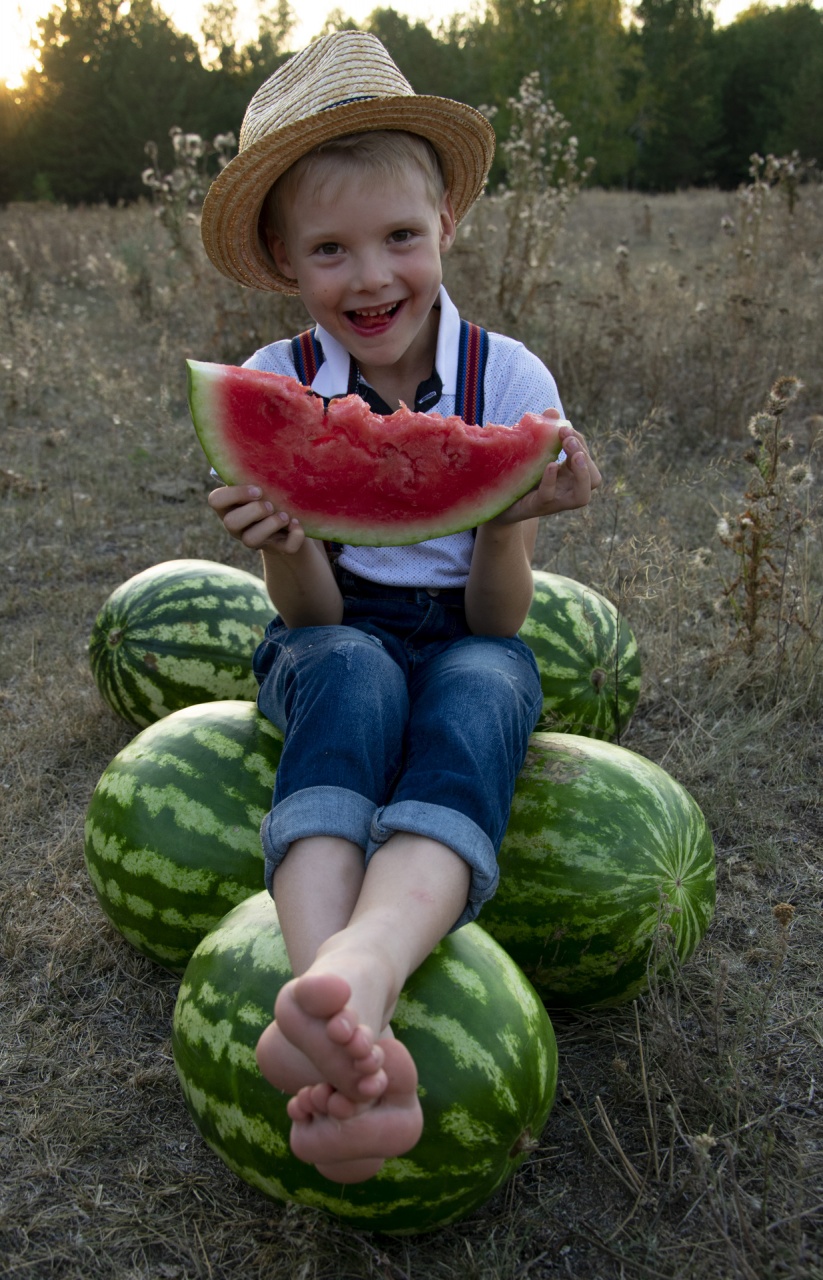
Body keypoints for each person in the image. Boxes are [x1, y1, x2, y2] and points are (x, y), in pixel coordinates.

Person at [200, 30, 601, 1185]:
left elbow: (491, 625)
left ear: (446, 229)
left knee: (482, 684)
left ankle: (351, 977)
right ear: (284, 260)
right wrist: (289, 542)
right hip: (331, 628)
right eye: (330, 249)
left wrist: (510, 508)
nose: (370, 277)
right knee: (354, 673)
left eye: (398, 239)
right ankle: (338, 988)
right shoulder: (274, 386)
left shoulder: (511, 382)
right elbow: (313, 614)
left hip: (465, 625)